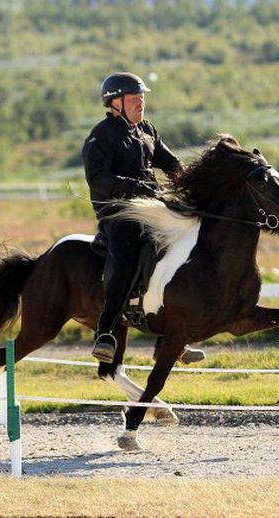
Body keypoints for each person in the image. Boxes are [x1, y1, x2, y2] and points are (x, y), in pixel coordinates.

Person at [82, 72, 205, 365]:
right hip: (119, 213)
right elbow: (97, 178)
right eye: (135, 98)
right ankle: (106, 332)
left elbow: (172, 164)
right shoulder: (101, 137)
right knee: (125, 260)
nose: (141, 103)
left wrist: (193, 181)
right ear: (115, 103)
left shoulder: (147, 131)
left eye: (143, 98)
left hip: (151, 208)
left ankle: (174, 334)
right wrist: (132, 186)